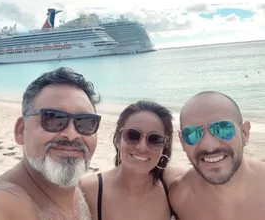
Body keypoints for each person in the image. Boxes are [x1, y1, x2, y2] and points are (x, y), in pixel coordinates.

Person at [0, 67, 102, 220]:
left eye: (85, 122)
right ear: (21, 131)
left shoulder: (82, 191)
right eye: (53, 118)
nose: (72, 135)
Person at [168, 91, 265, 220]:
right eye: (192, 134)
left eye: (223, 129)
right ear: (182, 142)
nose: (209, 146)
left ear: (245, 133)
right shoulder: (180, 197)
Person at [80, 100, 176, 220]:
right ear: (118, 140)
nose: (142, 147)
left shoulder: (174, 192)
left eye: (155, 139)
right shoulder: (87, 191)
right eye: (133, 135)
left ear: (164, 147)